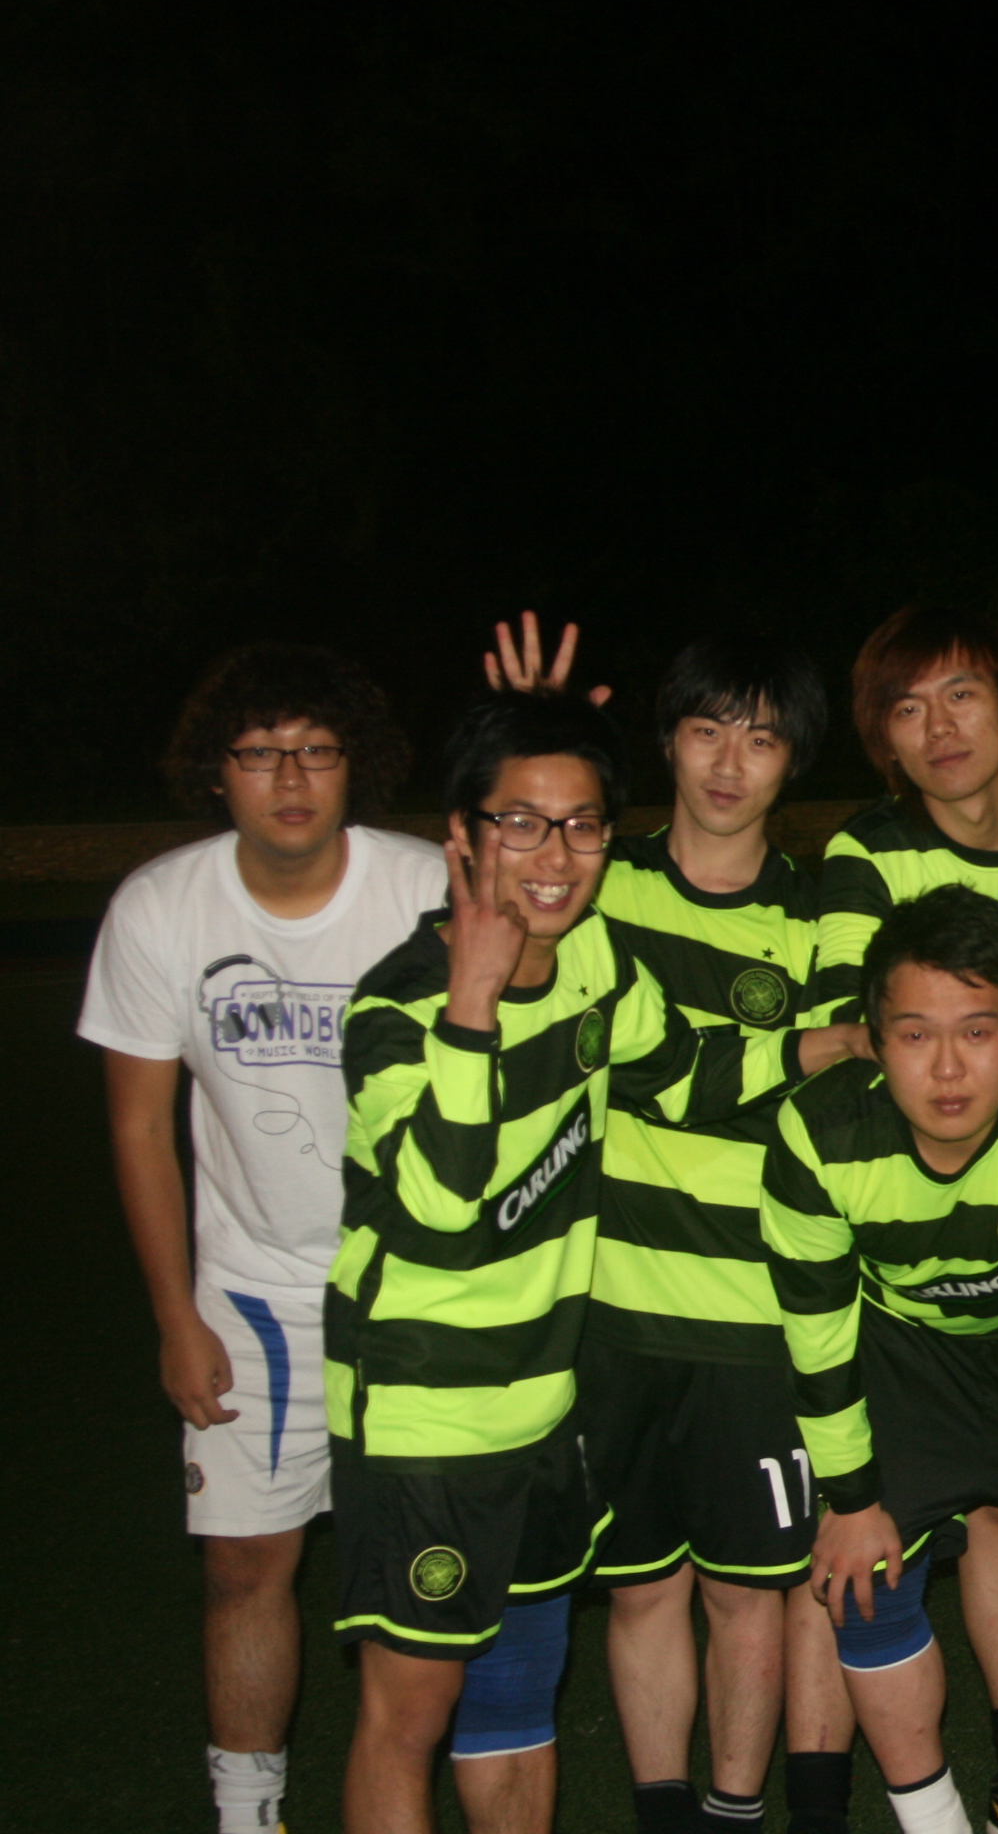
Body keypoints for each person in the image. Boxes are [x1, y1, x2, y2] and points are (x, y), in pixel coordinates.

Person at [327, 691, 859, 1834]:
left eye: (579, 826)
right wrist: (472, 1004)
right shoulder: (396, 1007)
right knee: (405, 1716)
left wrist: (839, 1040)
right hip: (426, 1420)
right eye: (519, 823)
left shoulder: (593, 958)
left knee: (519, 1700)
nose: (554, 855)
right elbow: (442, 1209)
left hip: (546, 1409)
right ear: (460, 836)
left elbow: (682, 1072)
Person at [79, 643, 447, 1834]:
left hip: (420, 1290)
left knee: (427, 1571)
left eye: (316, 750)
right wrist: (174, 1314)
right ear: (216, 769)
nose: (290, 777)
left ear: (356, 764)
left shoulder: (422, 887)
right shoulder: (160, 906)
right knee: (244, 1565)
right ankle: (248, 1812)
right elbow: (140, 1126)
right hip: (252, 1291)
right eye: (259, 752)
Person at [761, 886, 998, 1834]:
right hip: (906, 1353)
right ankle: (933, 1819)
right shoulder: (818, 1130)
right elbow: (818, 1333)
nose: (946, 1068)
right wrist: (852, 1498)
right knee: (858, 1572)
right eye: (913, 1034)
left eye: (978, 1032)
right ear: (871, 1039)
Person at [570, 635, 861, 1834]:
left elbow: (835, 1093)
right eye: (706, 731)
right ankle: (663, 1814)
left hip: (756, 1316)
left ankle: (734, 1810)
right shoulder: (601, 885)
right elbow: (611, 1050)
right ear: (667, 741)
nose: (729, 763)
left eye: (761, 737)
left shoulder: (817, 913)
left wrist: (763, 1064)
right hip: (611, 1309)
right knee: (641, 1589)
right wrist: (787, 1052)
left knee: (749, 1595)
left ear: (794, 760)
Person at [812, 604, 998, 1022]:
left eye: (959, 695)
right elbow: (839, 1024)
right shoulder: (871, 853)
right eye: (908, 709)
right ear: (886, 741)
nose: (938, 726)